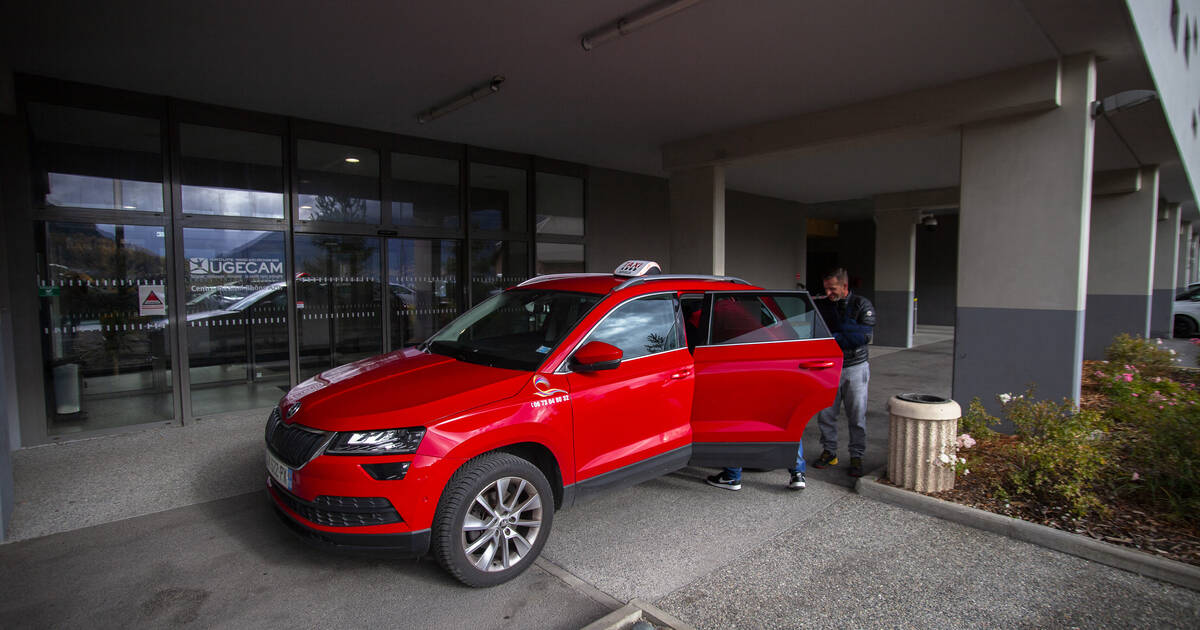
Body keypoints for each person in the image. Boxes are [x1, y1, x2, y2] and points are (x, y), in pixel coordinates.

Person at [811, 268, 875, 477]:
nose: (829, 292)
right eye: (826, 289)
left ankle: (856, 455)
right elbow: (817, 334)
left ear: (845, 286)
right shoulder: (823, 305)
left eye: (833, 288)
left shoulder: (861, 304)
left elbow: (863, 337)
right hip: (829, 367)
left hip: (855, 367)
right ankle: (829, 451)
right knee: (826, 413)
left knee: (856, 415)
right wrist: (844, 334)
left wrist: (835, 337)